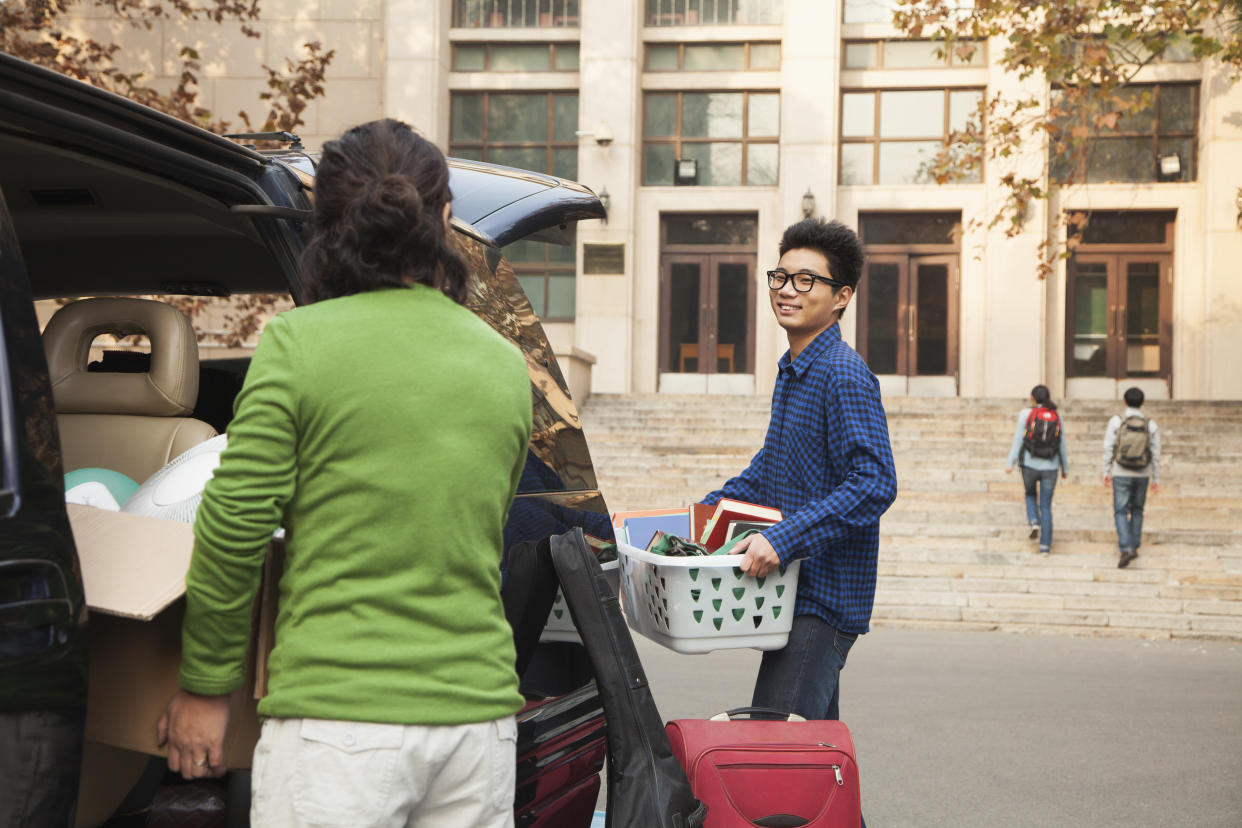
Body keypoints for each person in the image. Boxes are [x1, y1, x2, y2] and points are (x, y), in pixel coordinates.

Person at [157, 119, 532, 827]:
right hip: (478, 726)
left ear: (326, 227)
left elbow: (234, 526)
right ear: (446, 219)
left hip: (339, 726)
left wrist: (206, 687)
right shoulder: (504, 363)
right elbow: (480, 525)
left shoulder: (299, 346)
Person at [700, 217, 898, 727]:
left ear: (841, 297)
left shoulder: (843, 373)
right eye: (781, 278)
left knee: (774, 750)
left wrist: (783, 539)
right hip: (793, 595)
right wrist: (707, 511)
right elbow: (773, 465)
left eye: (806, 280)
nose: (788, 290)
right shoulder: (793, 370)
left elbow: (874, 483)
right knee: (808, 762)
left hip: (823, 599)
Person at [1005, 385, 1069, 555]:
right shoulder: (1056, 416)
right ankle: (1045, 547)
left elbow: (1018, 439)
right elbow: (1062, 444)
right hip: (1051, 466)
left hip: (1029, 464)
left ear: (1033, 398)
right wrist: (1065, 467)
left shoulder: (1025, 414)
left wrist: (1010, 462)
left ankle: (1034, 521)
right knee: (1046, 506)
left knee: (1030, 494)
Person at [1102, 386, 1161, 569]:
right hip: (1142, 473)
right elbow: (1156, 453)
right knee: (1137, 510)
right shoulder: (1150, 424)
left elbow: (1108, 447)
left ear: (1125, 401)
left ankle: (1125, 547)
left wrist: (1106, 471)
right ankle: (1134, 546)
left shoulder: (1117, 421)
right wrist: (1156, 478)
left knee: (1120, 511)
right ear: (1142, 403)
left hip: (1121, 471)